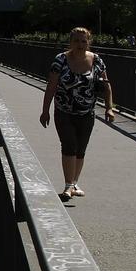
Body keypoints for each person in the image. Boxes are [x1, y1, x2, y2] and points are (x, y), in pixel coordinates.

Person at [39, 27, 116, 202]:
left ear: (88, 42)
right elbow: (51, 86)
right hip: (64, 111)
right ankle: (68, 186)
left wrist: (109, 108)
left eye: (83, 41)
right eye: (76, 41)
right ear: (70, 42)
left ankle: (74, 183)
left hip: (87, 112)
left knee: (81, 149)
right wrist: (45, 111)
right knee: (69, 145)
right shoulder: (61, 60)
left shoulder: (96, 60)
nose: (80, 44)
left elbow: (106, 85)